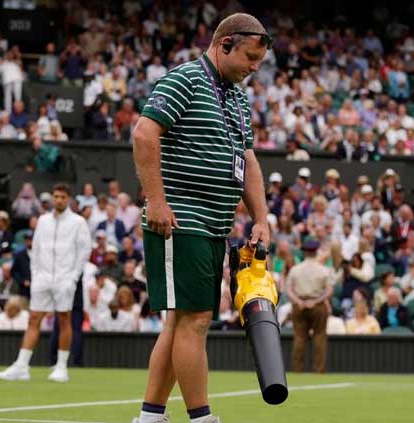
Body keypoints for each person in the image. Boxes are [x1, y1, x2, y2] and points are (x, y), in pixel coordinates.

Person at [131, 13, 271, 423]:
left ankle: (150, 416)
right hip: (180, 218)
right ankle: (201, 417)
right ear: (224, 43)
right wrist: (156, 201)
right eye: (249, 57)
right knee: (195, 320)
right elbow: (143, 133)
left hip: (214, 223)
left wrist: (261, 217)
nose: (253, 67)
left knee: (179, 322)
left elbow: (246, 160)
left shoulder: (238, 98)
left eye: (258, 61)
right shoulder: (185, 79)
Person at [0, 184, 91, 383]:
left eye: (63, 197)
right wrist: (36, 274)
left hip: (65, 280)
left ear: (69, 199)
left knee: (64, 319)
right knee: (33, 319)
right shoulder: (43, 221)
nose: (59, 200)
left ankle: (62, 367)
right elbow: (36, 249)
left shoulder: (78, 222)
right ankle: (21, 366)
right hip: (42, 279)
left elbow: (84, 251)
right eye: (56, 196)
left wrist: (72, 278)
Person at [286, 238, 334, 373]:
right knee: (319, 337)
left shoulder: (295, 269)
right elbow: (329, 290)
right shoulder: (324, 270)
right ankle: (319, 371)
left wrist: (299, 302)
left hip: (300, 305)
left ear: (304, 252)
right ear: (316, 252)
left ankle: (297, 370)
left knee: (299, 337)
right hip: (317, 306)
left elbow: (289, 290)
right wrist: (317, 301)